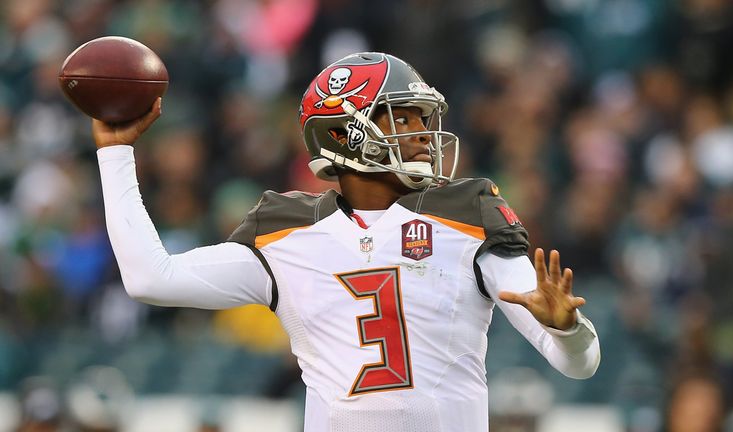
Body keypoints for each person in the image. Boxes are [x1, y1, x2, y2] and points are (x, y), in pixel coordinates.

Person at [92, 52, 600, 432]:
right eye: (403, 117)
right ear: (344, 133)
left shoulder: (466, 212)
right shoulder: (284, 229)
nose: (424, 132)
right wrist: (115, 155)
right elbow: (148, 278)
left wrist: (569, 329)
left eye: (423, 117)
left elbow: (577, 364)